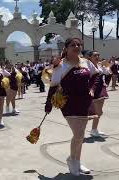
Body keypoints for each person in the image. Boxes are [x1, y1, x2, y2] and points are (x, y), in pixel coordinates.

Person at [45, 38, 99, 176]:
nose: (76, 46)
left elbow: (96, 75)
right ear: (66, 48)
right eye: (72, 45)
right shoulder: (61, 66)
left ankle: (77, 161)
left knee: (80, 136)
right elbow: (53, 86)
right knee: (78, 134)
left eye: (78, 45)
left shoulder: (86, 62)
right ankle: (72, 160)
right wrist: (48, 105)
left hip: (86, 102)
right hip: (69, 104)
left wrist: (92, 89)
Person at [88, 51, 111, 137]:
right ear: (90, 57)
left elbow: (108, 73)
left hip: (101, 89)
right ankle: (88, 129)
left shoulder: (100, 65)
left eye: (98, 55)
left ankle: (94, 129)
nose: (97, 56)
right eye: (95, 55)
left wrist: (107, 65)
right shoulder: (88, 66)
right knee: (96, 112)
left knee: (99, 112)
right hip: (93, 89)